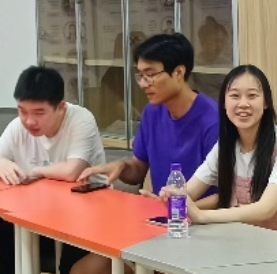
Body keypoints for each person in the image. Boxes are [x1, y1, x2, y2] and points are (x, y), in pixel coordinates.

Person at [72, 32, 219, 274]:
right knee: (85, 270)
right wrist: (121, 167)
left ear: (179, 72)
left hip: (200, 228)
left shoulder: (212, 120)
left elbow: (227, 195)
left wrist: (182, 211)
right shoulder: (153, 112)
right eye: (139, 75)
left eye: (150, 75)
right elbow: (138, 169)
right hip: (157, 222)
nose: (142, 84)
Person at [161, 64, 277, 238]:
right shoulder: (225, 147)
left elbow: (266, 209)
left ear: (266, 102)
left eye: (252, 96)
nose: (243, 104)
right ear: (224, 103)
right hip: (248, 239)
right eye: (235, 96)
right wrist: (168, 195)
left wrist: (201, 215)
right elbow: (188, 193)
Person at [0, 66, 105, 274]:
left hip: (85, 216)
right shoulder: (17, 126)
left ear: (61, 108)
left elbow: (72, 171)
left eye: (39, 113)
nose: (29, 121)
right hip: (36, 214)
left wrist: (36, 171)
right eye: (22, 111)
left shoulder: (81, 120)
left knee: (70, 266)